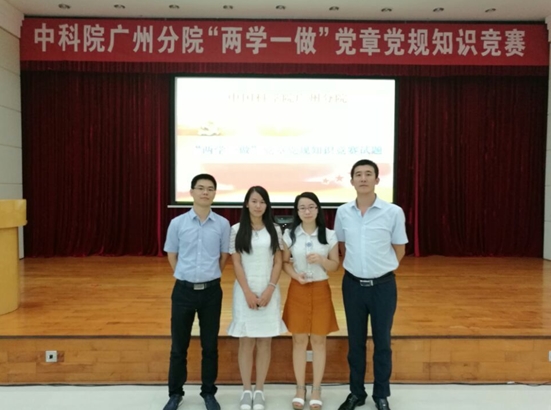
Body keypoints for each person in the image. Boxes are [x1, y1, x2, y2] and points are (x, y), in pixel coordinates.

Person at [334, 159, 408, 410]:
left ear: (377, 179)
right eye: (358, 174)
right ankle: (356, 393)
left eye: (368, 174)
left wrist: (380, 269)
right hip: (352, 285)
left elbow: (399, 249)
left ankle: (381, 394)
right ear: (352, 180)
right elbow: (342, 246)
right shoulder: (343, 212)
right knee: (355, 343)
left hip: (383, 287)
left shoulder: (393, 212)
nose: (363, 178)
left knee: (382, 342)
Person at [162, 174, 231, 410]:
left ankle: (208, 393)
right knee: (178, 347)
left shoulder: (222, 224)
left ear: (214, 194)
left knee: (210, 346)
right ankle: (175, 393)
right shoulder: (177, 223)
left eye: (210, 189)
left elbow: (223, 256)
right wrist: (185, 276)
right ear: (191, 192)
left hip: (211, 293)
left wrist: (208, 276)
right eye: (200, 188)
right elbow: (172, 254)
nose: (205, 192)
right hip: (183, 292)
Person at [227, 186, 287, 410]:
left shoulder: (275, 229)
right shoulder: (236, 230)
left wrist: (270, 289)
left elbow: (278, 261)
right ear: (246, 204)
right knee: (246, 341)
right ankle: (246, 390)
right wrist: (247, 292)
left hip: (269, 290)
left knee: (264, 341)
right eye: (254, 201)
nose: (258, 205)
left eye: (262, 201)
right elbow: (236, 263)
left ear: (267, 205)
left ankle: (259, 390)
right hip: (245, 292)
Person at [281, 192, 340, 410]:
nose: (307, 211)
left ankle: (316, 389)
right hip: (298, 289)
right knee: (298, 341)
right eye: (302, 207)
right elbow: (284, 262)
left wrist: (322, 260)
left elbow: (335, 266)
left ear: (318, 209)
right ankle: (300, 388)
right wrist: (296, 276)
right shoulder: (290, 235)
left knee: (318, 341)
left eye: (311, 207)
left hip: (321, 290)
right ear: (297, 211)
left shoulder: (329, 235)